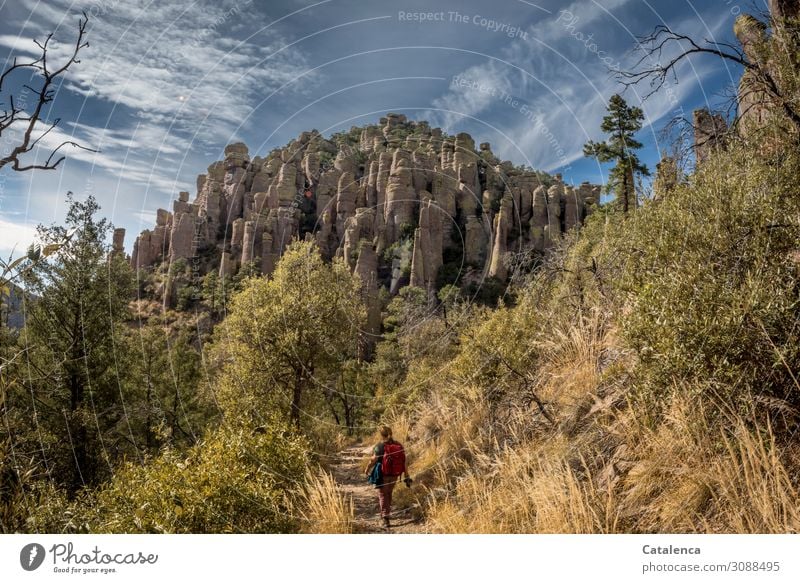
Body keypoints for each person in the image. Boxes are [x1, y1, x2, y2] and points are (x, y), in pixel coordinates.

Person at [365, 426, 411, 529]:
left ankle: (385, 518)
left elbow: (373, 460)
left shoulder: (379, 446)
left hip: (383, 474)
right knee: (389, 493)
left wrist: (367, 469)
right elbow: (404, 461)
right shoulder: (398, 445)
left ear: (381, 435)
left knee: (382, 494)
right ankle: (387, 513)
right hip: (395, 474)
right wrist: (406, 475)